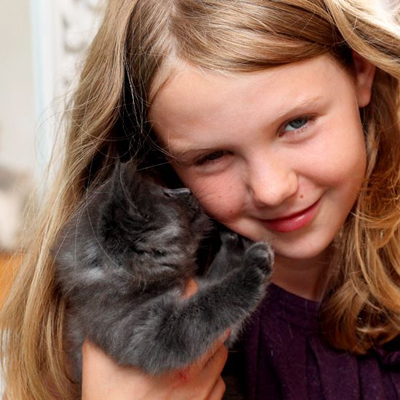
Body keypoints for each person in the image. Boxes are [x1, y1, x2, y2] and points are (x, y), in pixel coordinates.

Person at [1, 0, 400, 398]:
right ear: (155, 163)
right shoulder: (125, 341)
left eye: (296, 124)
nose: (271, 189)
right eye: (213, 156)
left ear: (360, 70)